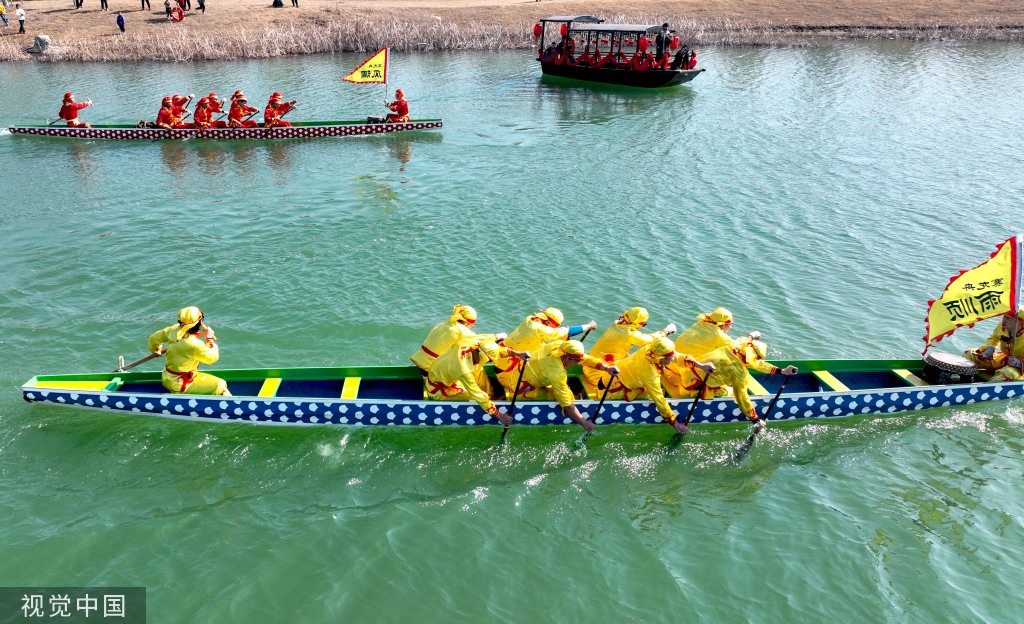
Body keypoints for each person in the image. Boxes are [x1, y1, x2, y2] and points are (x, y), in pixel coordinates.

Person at [663, 336, 798, 434]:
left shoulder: (735, 346)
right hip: (690, 390)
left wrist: (781, 371)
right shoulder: (739, 372)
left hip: (686, 374)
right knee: (730, 392)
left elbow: (756, 364)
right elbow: (742, 399)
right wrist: (756, 420)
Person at [598, 337, 715, 434]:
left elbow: (677, 357)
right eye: (669, 359)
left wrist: (700, 365)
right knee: (653, 393)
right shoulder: (649, 374)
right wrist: (675, 423)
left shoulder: (650, 349)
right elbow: (659, 400)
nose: (672, 361)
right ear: (661, 358)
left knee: (653, 388)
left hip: (609, 376)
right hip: (612, 390)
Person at [507, 339, 619, 434]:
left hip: (523, 371)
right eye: (577, 361)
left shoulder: (559, 345)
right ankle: (505, 397)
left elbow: (584, 358)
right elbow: (567, 405)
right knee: (564, 399)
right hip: (522, 387)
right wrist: (585, 423)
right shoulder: (557, 372)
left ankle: (577, 396)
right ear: (567, 358)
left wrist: (606, 368)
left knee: (566, 392)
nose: (580, 362)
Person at [425, 337, 528, 426]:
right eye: (488, 359)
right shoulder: (464, 370)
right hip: (438, 390)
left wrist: (518, 354)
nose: (488, 361)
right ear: (479, 352)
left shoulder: (472, 342)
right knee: (474, 397)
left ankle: (491, 399)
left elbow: (496, 349)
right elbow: (477, 394)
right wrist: (499, 416)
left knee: (480, 371)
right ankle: (491, 405)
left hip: (445, 375)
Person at [492, 307, 596, 392]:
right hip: (508, 375)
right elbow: (561, 332)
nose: (553, 329)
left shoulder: (530, 319)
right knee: (549, 383)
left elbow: (555, 334)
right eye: (553, 327)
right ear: (549, 323)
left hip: (501, 362)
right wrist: (588, 326)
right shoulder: (538, 328)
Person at [581, 306, 675, 399]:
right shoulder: (630, 334)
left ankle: (581, 392)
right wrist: (666, 331)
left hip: (588, 364)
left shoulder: (617, 324)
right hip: (597, 374)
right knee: (637, 387)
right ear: (640, 323)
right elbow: (649, 339)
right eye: (643, 324)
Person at [147, 306, 231, 396]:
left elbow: (154, 338)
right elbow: (212, 358)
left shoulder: (173, 330)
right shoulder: (195, 345)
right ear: (199, 322)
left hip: (167, 376)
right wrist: (209, 339)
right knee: (220, 385)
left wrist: (156, 349)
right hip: (179, 384)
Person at [963, 310, 1024, 381]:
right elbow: (994, 337)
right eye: (1004, 317)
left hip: (1020, 369)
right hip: (1004, 359)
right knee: (970, 353)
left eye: (1008, 318)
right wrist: (990, 349)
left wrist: (1018, 363)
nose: (1004, 320)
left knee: (1006, 373)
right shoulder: (1001, 326)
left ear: (1019, 322)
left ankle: (987, 390)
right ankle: (963, 380)